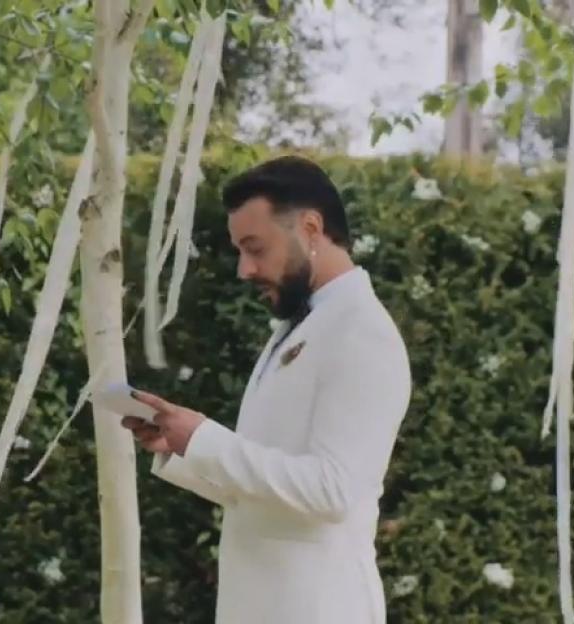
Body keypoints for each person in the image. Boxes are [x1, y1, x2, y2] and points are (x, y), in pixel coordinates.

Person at [123, 156, 411, 623]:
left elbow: (331, 492)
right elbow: (264, 488)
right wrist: (180, 448)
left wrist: (204, 439)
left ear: (311, 228)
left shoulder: (361, 332)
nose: (245, 269)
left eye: (255, 248)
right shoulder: (302, 326)